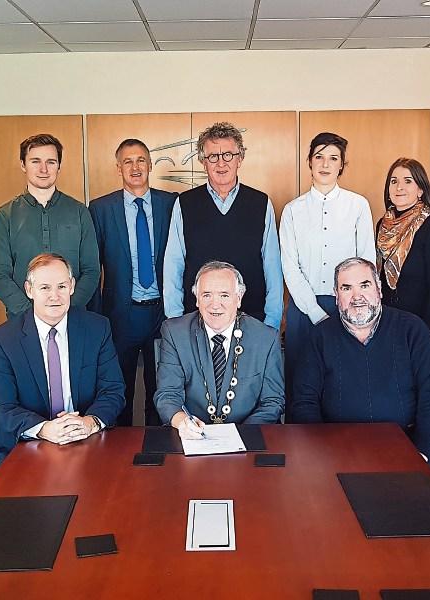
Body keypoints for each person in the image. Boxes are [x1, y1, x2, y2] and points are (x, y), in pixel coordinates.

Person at [292, 258, 430, 474]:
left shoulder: (412, 330)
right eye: (346, 288)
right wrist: (323, 451)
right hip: (337, 453)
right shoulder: (319, 337)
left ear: (379, 290)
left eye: (364, 285)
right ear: (337, 296)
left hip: (407, 448)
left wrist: (419, 451)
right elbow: (303, 402)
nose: (357, 297)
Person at [0, 253, 125, 466]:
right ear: (29, 290)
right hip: (28, 447)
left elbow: (113, 390)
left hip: (88, 442)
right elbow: (3, 409)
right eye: (45, 288)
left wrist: (89, 423)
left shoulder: (97, 328)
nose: (55, 296)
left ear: (71, 286)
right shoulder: (3, 340)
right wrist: (44, 429)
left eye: (61, 287)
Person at [280, 132, 375, 416]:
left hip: (346, 305)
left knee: (343, 380)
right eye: (319, 157)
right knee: (300, 380)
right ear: (309, 162)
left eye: (333, 158)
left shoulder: (357, 206)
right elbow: (289, 265)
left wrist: (351, 301)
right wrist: (313, 311)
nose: (325, 164)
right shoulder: (293, 210)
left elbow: (366, 261)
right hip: (302, 308)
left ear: (342, 165)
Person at [88, 139, 177, 426]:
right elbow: (93, 265)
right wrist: (97, 316)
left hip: (162, 314)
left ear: (150, 165)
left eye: (141, 160)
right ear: (118, 168)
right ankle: (121, 459)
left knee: (161, 391)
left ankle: (159, 454)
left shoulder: (171, 204)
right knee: (119, 392)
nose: (135, 167)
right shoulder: (101, 209)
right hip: (120, 315)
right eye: (128, 161)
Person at [163, 122, 283, 329]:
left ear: (240, 159)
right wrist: (175, 319)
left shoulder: (261, 203)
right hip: (196, 319)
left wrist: (272, 319)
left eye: (228, 155)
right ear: (203, 161)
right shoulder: (184, 203)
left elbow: (272, 266)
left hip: (252, 318)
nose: (221, 163)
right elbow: (173, 264)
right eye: (213, 156)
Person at [155, 261, 284, 438]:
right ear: (197, 299)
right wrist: (182, 421)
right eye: (207, 295)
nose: (215, 305)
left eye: (224, 295)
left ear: (239, 298)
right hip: (192, 438)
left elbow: (272, 401)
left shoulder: (266, 338)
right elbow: (167, 395)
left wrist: (239, 436)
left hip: (248, 439)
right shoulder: (175, 333)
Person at [0, 133, 100, 317]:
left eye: (51, 162)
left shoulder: (79, 212)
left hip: (73, 318)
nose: (43, 169)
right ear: (23, 165)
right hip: (22, 320)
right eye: (35, 161)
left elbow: (91, 270)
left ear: (59, 166)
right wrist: (30, 314)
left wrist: (66, 310)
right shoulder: (5, 215)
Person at [376, 157, 430, 332]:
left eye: (408, 181)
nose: (399, 187)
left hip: (418, 324)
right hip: (385, 319)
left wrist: (424, 330)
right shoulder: (383, 224)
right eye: (394, 182)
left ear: (420, 190)